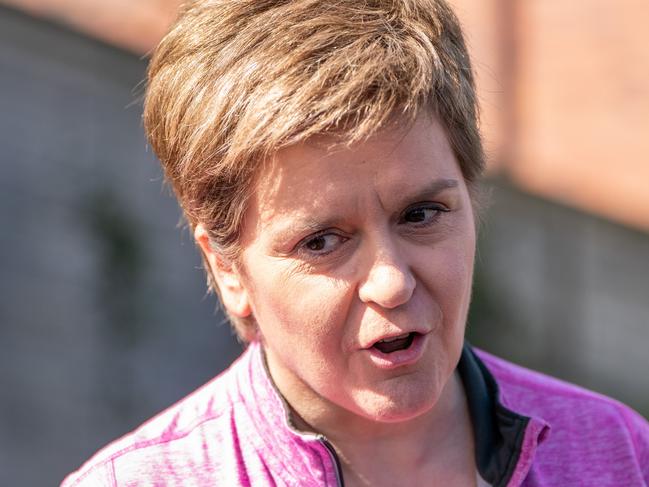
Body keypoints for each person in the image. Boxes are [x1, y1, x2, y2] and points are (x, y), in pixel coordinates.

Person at [62, 0, 649, 485]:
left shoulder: (617, 453)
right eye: (322, 241)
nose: (391, 280)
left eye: (421, 213)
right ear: (228, 269)